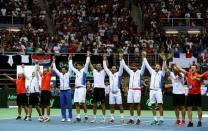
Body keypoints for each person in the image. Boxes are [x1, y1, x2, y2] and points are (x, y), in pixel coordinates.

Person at [120, 53, 145, 125]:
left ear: (137, 67)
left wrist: (144, 57)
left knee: (138, 104)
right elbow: (124, 66)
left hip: (137, 90)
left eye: (135, 66)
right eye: (133, 66)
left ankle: (139, 119)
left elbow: (143, 66)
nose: (133, 67)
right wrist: (121, 58)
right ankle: (131, 119)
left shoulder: (140, 72)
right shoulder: (130, 72)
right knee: (130, 105)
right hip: (130, 90)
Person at [143, 51, 166, 125]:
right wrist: (144, 57)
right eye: (156, 66)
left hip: (158, 91)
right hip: (151, 91)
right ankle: (155, 119)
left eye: (158, 66)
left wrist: (164, 60)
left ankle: (161, 119)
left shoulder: (162, 73)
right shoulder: (152, 72)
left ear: (159, 68)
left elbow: (164, 67)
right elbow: (147, 65)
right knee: (153, 105)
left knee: (160, 105)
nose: (156, 67)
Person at [68, 52, 90, 122]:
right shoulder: (76, 71)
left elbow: (87, 63)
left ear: (82, 66)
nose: (77, 67)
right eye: (77, 66)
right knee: (76, 103)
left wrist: (88, 56)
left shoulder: (84, 70)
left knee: (82, 103)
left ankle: (86, 114)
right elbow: (71, 66)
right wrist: (70, 59)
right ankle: (78, 116)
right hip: (76, 89)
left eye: (79, 66)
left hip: (82, 88)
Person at [103, 53, 124, 124]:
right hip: (111, 93)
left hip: (118, 92)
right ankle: (112, 118)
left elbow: (121, 67)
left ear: (116, 69)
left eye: (114, 68)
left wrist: (121, 59)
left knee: (120, 105)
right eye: (112, 68)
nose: (113, 69)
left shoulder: (119, 74)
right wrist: (104, 59)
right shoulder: (110, 74)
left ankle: (122, 118)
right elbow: (105, 67)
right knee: (111, 106)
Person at [52, 56, 73, 122]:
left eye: (64, 69)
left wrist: (69, 60)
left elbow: (70, 68)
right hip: (61, 91)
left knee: (69, 104)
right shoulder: (60, 74)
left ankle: (69, 117)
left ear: (66, 70)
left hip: (67, 91)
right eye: (62, 69)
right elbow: (54, 68)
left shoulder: (68, 74)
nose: (62, 70)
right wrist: (54, 60)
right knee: (62, 105)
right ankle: (63, 117)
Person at [89, 58, 106, 123]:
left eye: (99, 65)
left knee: (103, 104)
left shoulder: (104, 71)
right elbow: (90, 65)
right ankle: (94, 118)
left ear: (101, 67)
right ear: (96, 66)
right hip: (96, 89)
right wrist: (88, 58)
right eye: (97, 65)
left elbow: (106, 64)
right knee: (94, 104)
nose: (98, 66)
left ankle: (104, 118)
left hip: (102, 89)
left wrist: (105, 58)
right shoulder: (94, 71)